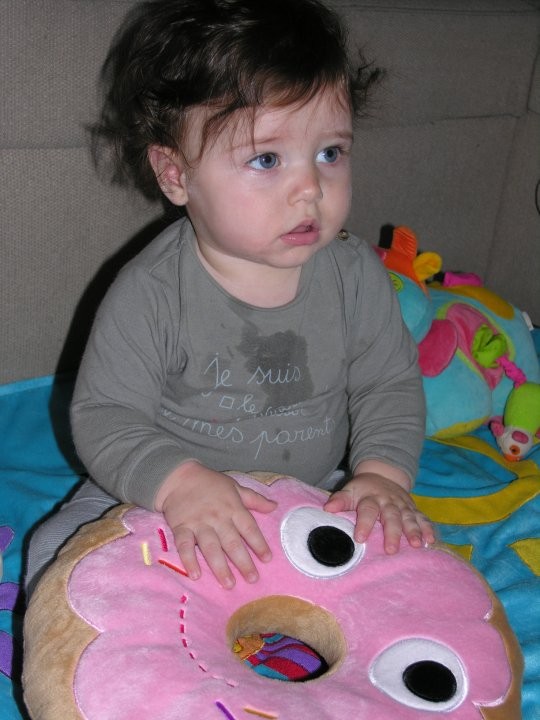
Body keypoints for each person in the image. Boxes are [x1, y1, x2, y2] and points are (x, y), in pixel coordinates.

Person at [26, 0, 434, 596]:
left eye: (330, 153)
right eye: (266, 159)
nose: (309, 188)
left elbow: (388, 385)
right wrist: (178, 483)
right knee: (57, 558)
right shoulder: (152, 293)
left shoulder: (356, 277)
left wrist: (380, 478)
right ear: (176, 175)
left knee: (413, 562)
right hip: (163, 495)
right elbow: (105, 416)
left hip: (312, 494)